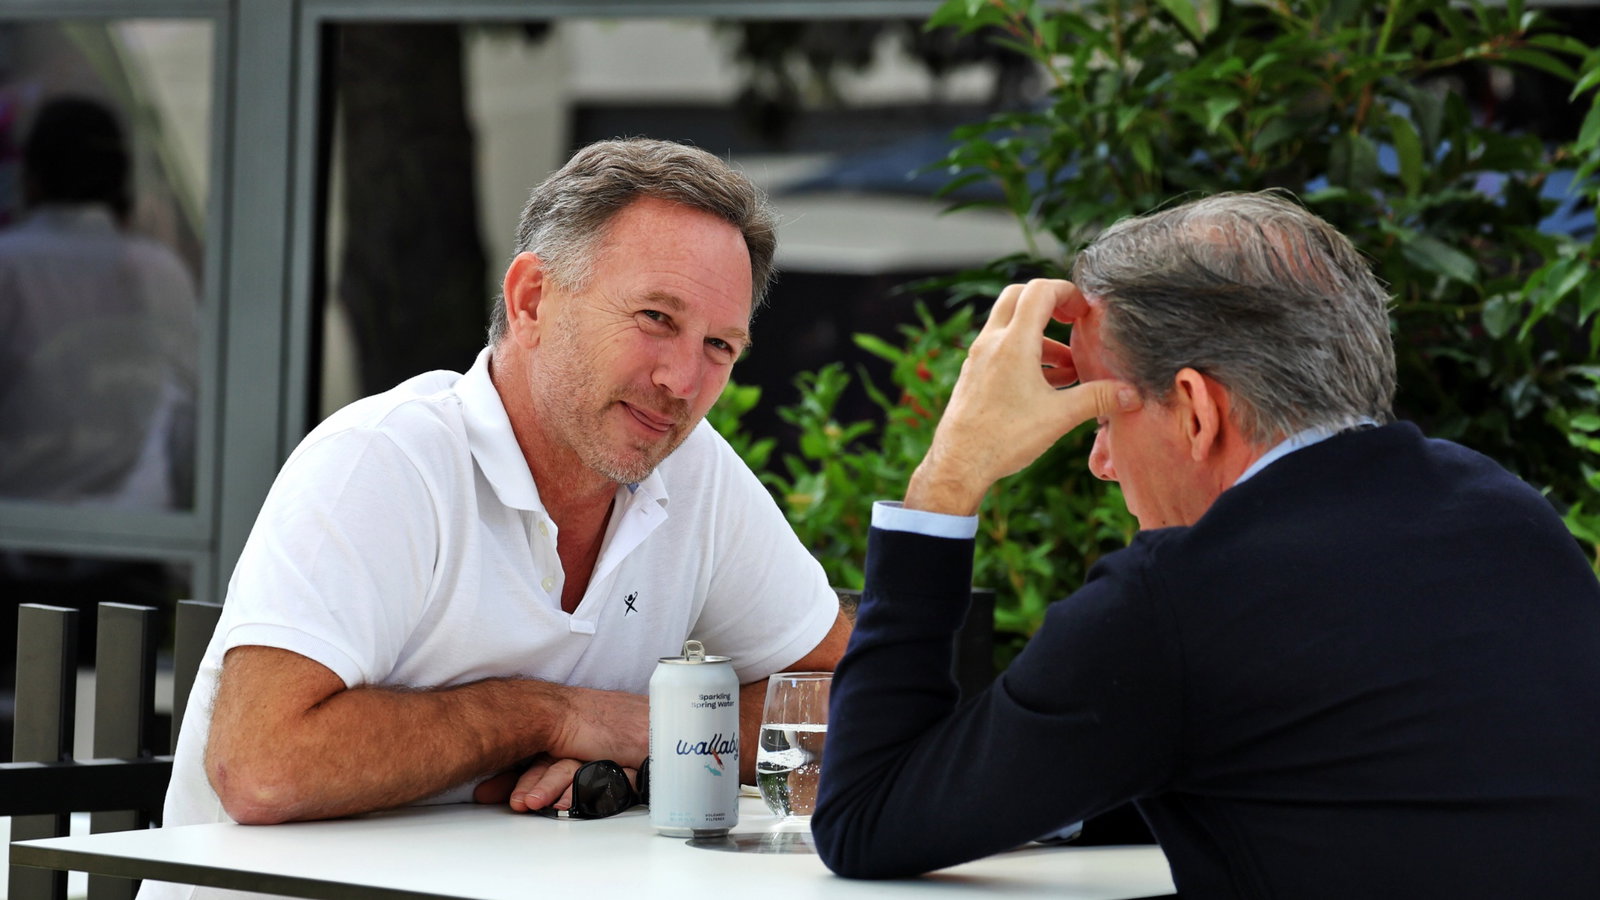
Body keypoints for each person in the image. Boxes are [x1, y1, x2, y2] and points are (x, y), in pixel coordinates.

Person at [811, 192, 1600, 897]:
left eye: (1101, 419)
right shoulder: (1511, 516)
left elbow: (863, 818)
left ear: (1195, 410)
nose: (1100, 463)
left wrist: (947, 479)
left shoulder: (1173, 604)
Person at [148, 138, 850, 897]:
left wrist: (648, 735)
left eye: (719, 345)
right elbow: (262, 768)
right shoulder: (385, 460)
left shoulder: (693, 470)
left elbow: (849, 690)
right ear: (532, 300)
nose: (682, 380)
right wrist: (544, 715)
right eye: (655, 317)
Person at [0, 96, 199, 695]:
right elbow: (191, 416)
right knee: (111, 742)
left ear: (31, 177)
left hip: (17, 558)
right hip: (131, 559)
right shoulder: (156, 270)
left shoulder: (10, 265)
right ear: (121, 182)